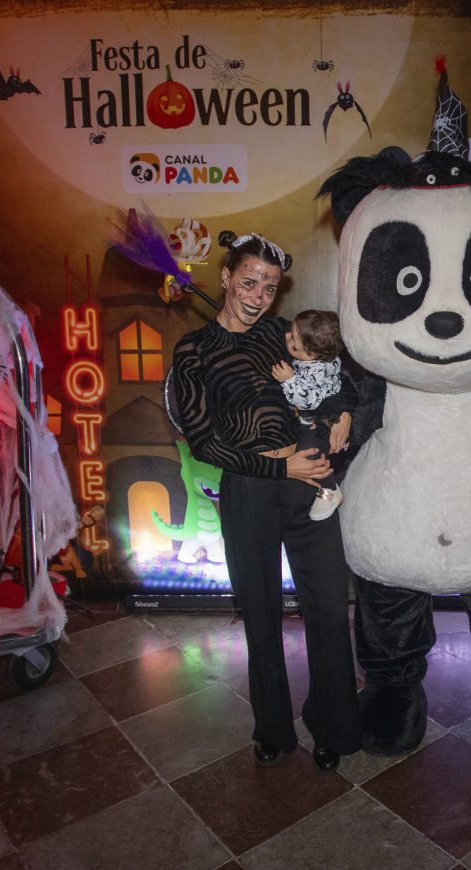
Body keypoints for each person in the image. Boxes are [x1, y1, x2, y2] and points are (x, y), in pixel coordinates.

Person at [172, 230, 361, 773]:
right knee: (260, 614)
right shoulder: (194, 350)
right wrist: (281, 467)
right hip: (250, 491)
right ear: (226, 277)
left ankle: (333, 725)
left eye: (270, 287)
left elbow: (336, 376)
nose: (258, 296)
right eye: (249, 282)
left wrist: (344, 411)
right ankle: (273, 728)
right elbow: (204, 444)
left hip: (311, 488)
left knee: (330, 608)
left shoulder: (284, 334)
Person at [271, 309, 346, 521]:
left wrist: (289, 380)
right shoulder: (319, 359)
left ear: (311, 354)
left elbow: (309, 401)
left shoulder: (317, 370)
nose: (287, 336)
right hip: (314, 420)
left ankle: (330, 489)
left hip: (319, 424)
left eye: (293, 340)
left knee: (309, 454)